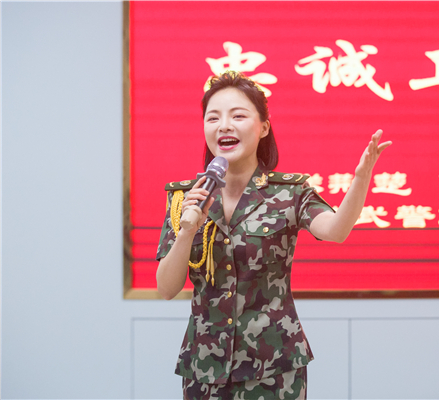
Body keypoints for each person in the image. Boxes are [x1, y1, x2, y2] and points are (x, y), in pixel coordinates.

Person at [155, 71, 391, 400]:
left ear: (263, 127)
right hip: (205, 370)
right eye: (213, 118)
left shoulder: (290, 192)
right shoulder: (185, 198)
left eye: (238, 116)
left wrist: (361, 179)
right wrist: (188, 231)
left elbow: (336, 230)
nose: (224, 126)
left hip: (274, 368)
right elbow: (166, 289)